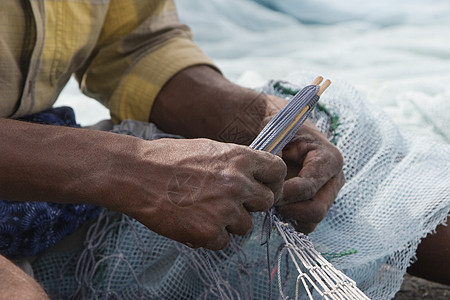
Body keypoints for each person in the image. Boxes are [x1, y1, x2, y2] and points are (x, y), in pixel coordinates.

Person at [0, 1, 448, 299]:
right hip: (47, 170)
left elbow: (135, 44)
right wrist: (132, 168)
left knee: (347, 139)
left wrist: (252, 116)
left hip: (42, 187)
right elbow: (131, 167)